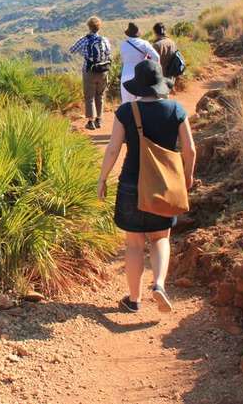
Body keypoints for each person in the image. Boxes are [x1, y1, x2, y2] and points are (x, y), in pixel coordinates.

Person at [97, 59, 197, 314]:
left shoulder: (126, 111)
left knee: (133, 244)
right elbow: (190, 150)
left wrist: (102, 179)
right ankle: (160, 285)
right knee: (161, 238)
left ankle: (134, 299)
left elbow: (112, 150)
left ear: (138, 87)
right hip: (163, 186)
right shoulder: (176, 110)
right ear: (160, 83)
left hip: (131, 184)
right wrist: (187, 178)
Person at [69, 16, 112, 130]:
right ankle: (99, 119)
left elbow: (72, 50)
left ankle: (91, 121)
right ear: (99, 27)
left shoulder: (85, 39)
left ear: (89, 27)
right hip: (103, 70)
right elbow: (109, 53)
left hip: (89, 70)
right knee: (100, 95)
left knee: (90, 96)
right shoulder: (105, 40)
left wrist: (84, 54)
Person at [119, 22, 160, 104]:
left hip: (126, 75)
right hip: (141, 76)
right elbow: (156, 57)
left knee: (127, 104)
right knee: (142, 103)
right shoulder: (144, 43)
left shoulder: (123, 44)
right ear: (138, 33)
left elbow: (123, 61)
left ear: (128, 34)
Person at [152, 22, 178, 90]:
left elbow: (151, 62)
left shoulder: (156, 45)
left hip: (160, 76)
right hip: (171, 75)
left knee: (160, 97)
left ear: (155, 32)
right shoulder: (172, 42)